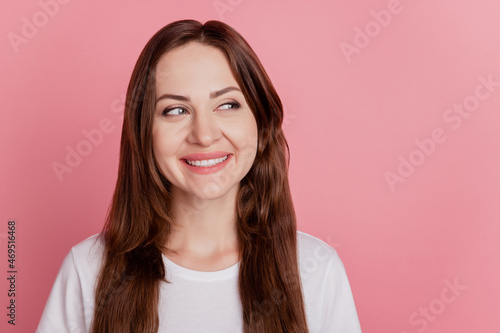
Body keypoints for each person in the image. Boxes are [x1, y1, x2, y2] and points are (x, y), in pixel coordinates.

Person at [36, 19, 362, 333]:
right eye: (176, 110)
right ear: (144, 132)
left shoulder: (316, 271)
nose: (204, 135)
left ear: (261, 123)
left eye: (227, 105)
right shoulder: (88, 270)